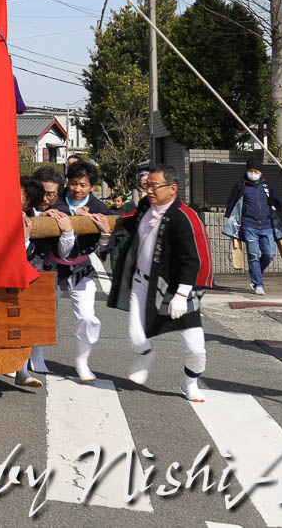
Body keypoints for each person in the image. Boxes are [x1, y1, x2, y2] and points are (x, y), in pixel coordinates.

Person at [106, 166, 211, 402]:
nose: (149, 190)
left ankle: (190, 382)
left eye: (154, 186)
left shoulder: (185, 217)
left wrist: (182, 294)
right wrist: (101, 220)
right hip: (142, 282)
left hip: (176, 288)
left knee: (195, 347)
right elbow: (130, 222)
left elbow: (194, 259)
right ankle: (146, 354)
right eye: (147, 185)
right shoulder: (146, 206)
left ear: (173, 188)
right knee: (136, 336)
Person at [53, 160, 114, 381]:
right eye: (74, 183)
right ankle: (35, 356)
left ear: (92, 187)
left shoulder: (99, 209)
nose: (77, 189)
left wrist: (104, 233)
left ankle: (82, 361)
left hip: (81, 268)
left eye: (83, 185)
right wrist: (71, 215)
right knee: (44, 315)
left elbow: (106, 248)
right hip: (51, 266)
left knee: (88, 318)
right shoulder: (57, 200)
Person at [15, 175, 73, 388]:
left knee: (25, 322)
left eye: (22, 195)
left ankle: (21, 369)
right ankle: (17, 367)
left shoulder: (28, 217)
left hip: (25, 275)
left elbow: (25, 255)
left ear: (28, 203)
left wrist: (26, 237)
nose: (16, 196)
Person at [224, 165, 282, 296]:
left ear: (260, 172)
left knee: (269, 254)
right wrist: (231, 221)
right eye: (250, 170)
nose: (253, 173)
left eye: (255, 171)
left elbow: (275, 202)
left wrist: (281, 217)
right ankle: (258, 284)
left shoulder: (267, 185)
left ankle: (255, 273)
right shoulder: (240, 185)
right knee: (253, 256)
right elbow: (232, 202)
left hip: (267, 225)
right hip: (249, 225)